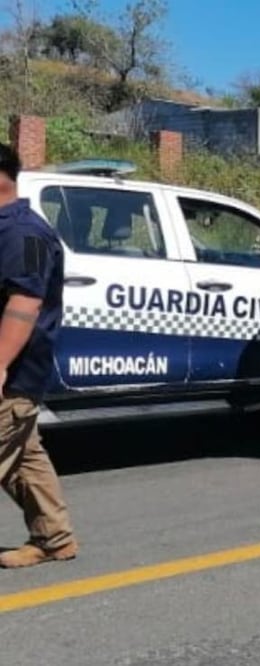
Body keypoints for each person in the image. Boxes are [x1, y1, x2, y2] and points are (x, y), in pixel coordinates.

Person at [0, 142, 78, 568]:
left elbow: (26, 302)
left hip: (13, 374)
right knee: (25, 459)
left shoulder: (27, 234)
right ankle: (54, 539)